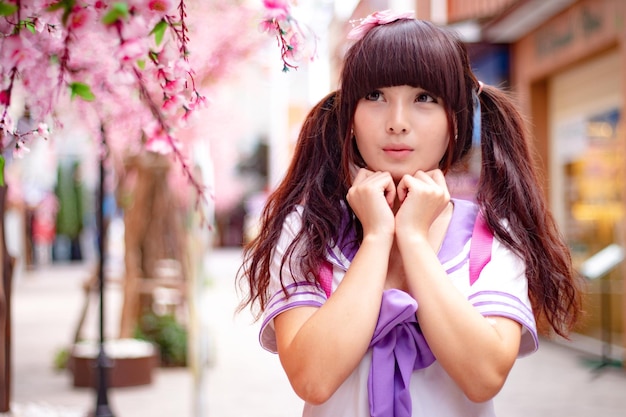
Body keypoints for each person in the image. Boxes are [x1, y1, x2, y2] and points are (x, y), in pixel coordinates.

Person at [237, 10, 584, 417]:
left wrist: (415, 240)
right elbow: (312, 378)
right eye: (375, 96)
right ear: (348, 117)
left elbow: (484, 377)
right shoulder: (308, 231)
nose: (397, 123)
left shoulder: (490, 236)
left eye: (424, 98)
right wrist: (377, 236)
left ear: (456, 120)